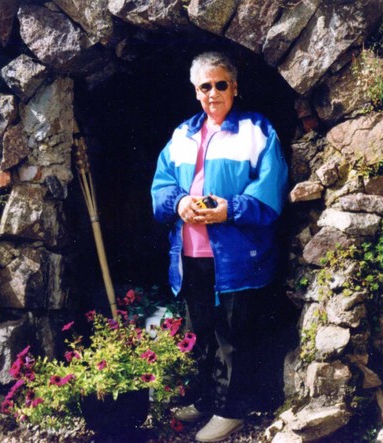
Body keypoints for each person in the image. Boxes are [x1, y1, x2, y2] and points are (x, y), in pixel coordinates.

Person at [150, 51, 289, 442]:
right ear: (196, 92)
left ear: (235, 87)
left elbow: (271, 190)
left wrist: (231, 209)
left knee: (232, 335)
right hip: (190, 254)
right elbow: (161, 185)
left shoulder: (257, 131)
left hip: (237, 256)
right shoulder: (182, 134)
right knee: (200, 331)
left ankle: (231, 410)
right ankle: (204, 399)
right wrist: (179, 202)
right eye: (205, 86)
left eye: (221, 84)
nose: (213, 93)